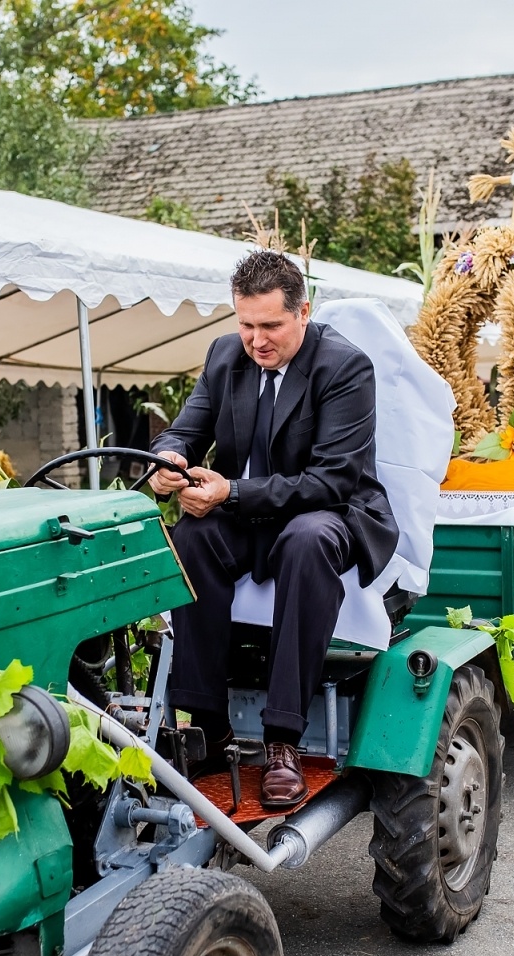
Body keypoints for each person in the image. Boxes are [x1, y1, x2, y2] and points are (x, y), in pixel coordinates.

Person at [149, 250, 397, 806]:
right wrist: (167, 460)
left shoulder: (345, 367)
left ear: (303, 312)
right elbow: (184, 431)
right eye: (244, 324)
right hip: (250, 513)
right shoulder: (223, 356)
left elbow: (332, 480)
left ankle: (282, 740)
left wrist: (230, 492)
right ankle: (208, 730)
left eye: (269, 326)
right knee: (190, 538)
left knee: (307, 541)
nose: (255, 340)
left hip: (333, 511)